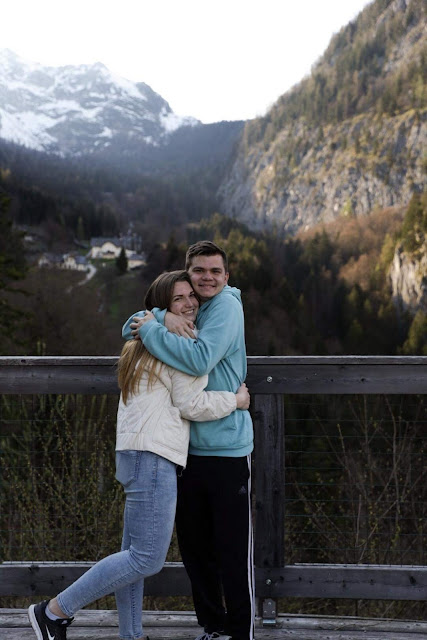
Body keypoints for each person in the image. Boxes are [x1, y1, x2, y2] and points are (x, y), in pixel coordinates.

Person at [28, 270, 250, 640]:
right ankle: (54, 611)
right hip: (154, 456)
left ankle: (130, 635)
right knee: (146, 558)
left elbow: (138, 328)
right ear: (164, 306)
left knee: (132, 553)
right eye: (178, 299)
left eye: (190, 296)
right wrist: (236, 400)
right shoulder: (174, 342)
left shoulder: (143, 340)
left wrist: (159, 319)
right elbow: (191, 404)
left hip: (133, 453)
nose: (189, 303)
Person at [122, 241, 255, 640]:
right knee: (196, 552)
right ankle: (213, 627)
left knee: (232, 552)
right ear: (189, 273)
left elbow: (198, 360)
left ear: (226, 276)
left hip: (226, 447)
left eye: (215, 271)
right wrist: (160, 316)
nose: (207, 278)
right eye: (199, 271)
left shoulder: (226, 307)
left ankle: (240, 632)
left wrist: (153, 326)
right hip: (185, 451)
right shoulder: (186, 308)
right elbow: (128, 327)